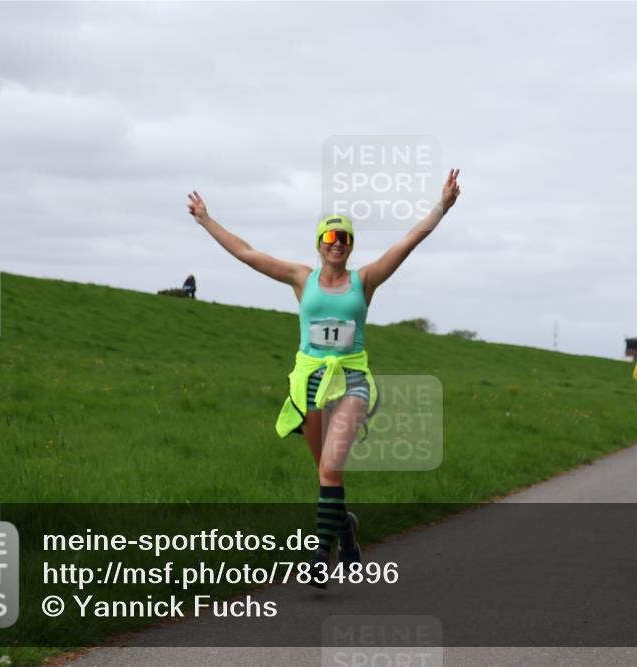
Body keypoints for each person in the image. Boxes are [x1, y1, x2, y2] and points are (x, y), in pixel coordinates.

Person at [187, 169, 462, 588]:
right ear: (319, 244)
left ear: (351, 246)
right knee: (327, 473)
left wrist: (441, 206)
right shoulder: (302, 278)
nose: (338, 245)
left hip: (351, 380)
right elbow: (246, 253)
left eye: (345, 238)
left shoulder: (364, 280)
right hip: (310, 382)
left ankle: (320, 556)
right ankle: (346, 528)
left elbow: (408, 241)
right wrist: (206, 220)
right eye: (330, 238)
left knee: (332, 465)